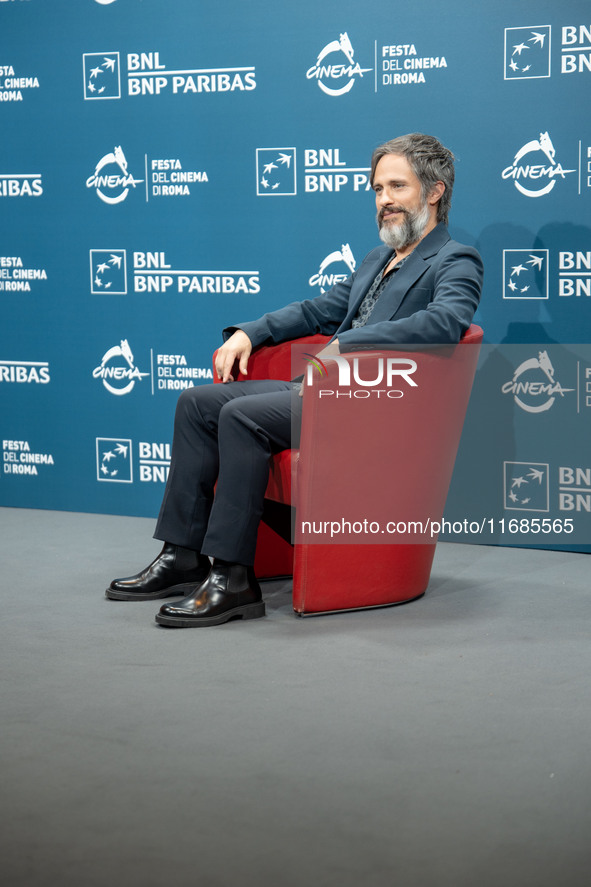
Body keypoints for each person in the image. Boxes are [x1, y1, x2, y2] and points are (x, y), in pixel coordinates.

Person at [106, 133, 484, 627]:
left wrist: (352, 344)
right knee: (197, 403)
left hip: (373, 405)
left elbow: (447, 323)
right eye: (377, 189)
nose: (384, 200)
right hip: (321, 392)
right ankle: (182, 554)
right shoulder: (376, 258)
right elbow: (317, 310)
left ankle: (233, 578)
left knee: (241, 416)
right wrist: (250, 332)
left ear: (434, 192)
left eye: (397, 187)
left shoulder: (456, 259)